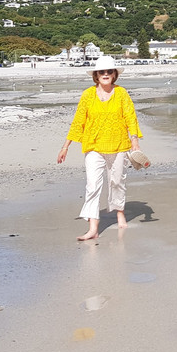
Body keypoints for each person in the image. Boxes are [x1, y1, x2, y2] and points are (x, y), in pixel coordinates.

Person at [57, 55, 143, 241]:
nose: (105, 74)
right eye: (101, 72)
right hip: (93, 145)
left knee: (117, 181)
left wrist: (134, 140)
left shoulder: (121, 93)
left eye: (109, 71)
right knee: (92, 185)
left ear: (114, 74)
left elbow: (130, 117)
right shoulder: (88, 95)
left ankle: (119, 212)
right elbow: (78, 121)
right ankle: (93, 228)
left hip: (119, 144)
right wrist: (65, 147)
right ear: (96, 75)